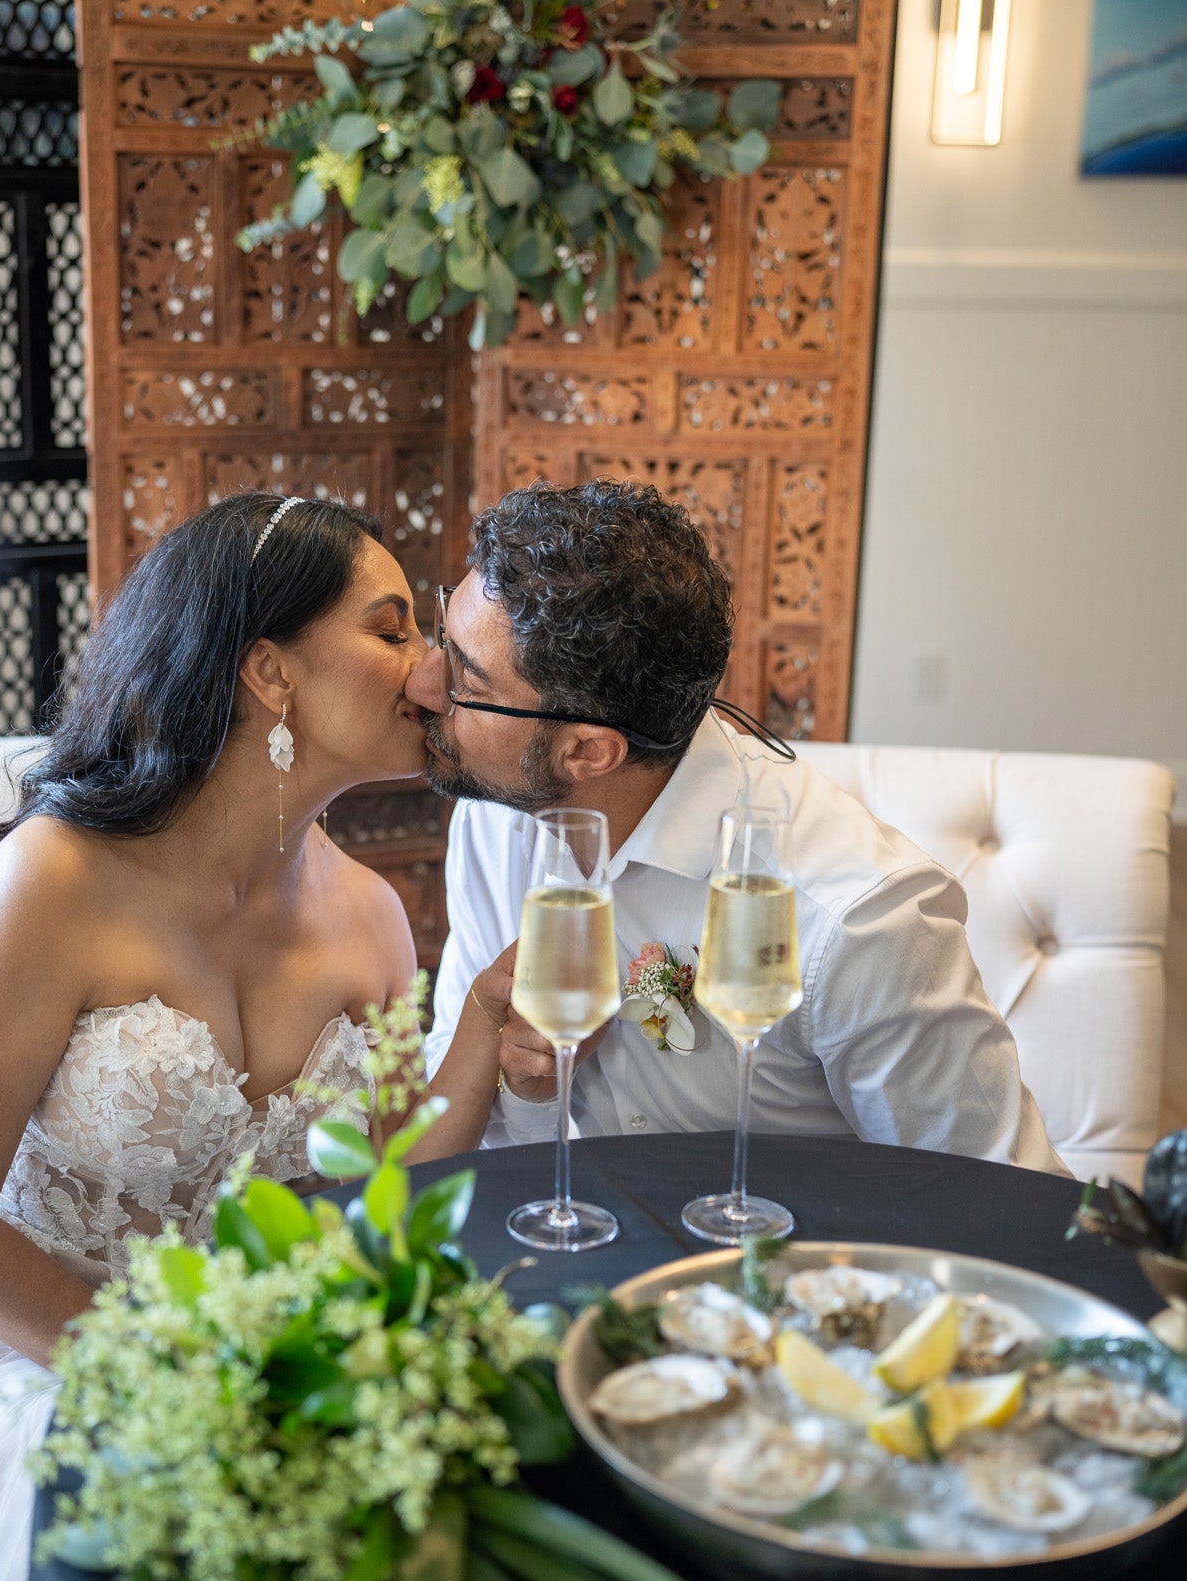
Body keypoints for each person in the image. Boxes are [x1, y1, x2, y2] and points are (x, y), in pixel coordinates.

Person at [0, 491, 511, 1581]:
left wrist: (477, 1027)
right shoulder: (51, 886)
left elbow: (366, 1192)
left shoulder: (372, 914)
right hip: (10, 1335)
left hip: (223, 1355)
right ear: (268, 670)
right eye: (390, 628)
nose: (433, 670)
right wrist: (166, 1392)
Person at [415, 479, 1061, 1175]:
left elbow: (994, 1197)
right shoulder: (501, 818)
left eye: (464, 682)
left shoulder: (856, 919)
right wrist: (529, 1090)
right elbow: (475, 1133)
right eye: (440, 638)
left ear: (586, 752)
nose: (422, 684)